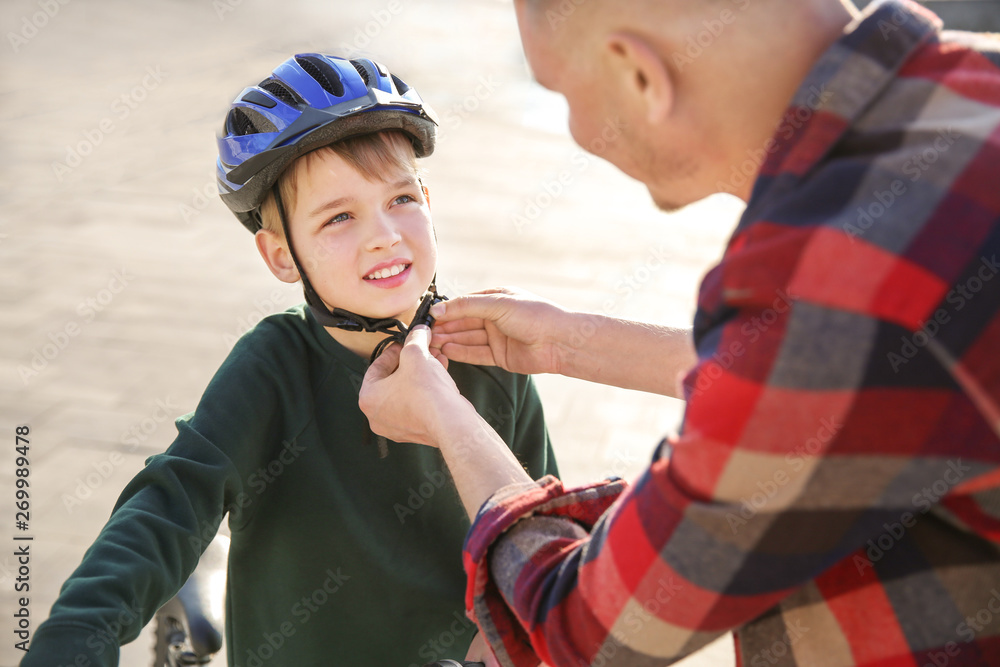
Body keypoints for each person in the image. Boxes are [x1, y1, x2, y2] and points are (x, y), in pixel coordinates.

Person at [359, 0, 1000, 665]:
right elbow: (866, 386)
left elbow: (585, 630)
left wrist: (448, 418)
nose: (575, 130)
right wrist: (564, 340)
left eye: (559, 93)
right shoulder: (971, 88)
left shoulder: (836, 271)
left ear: (641, 75)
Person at [21, 53, 557, 667]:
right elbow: (168, 502)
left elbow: (546, 541)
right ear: (281, 256)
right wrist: (78, 630)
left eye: (401, 198)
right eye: (340, 217)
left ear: (429, 201)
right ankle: (197, 581)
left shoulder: (490, 359)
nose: (384, 233)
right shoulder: (272, 369)